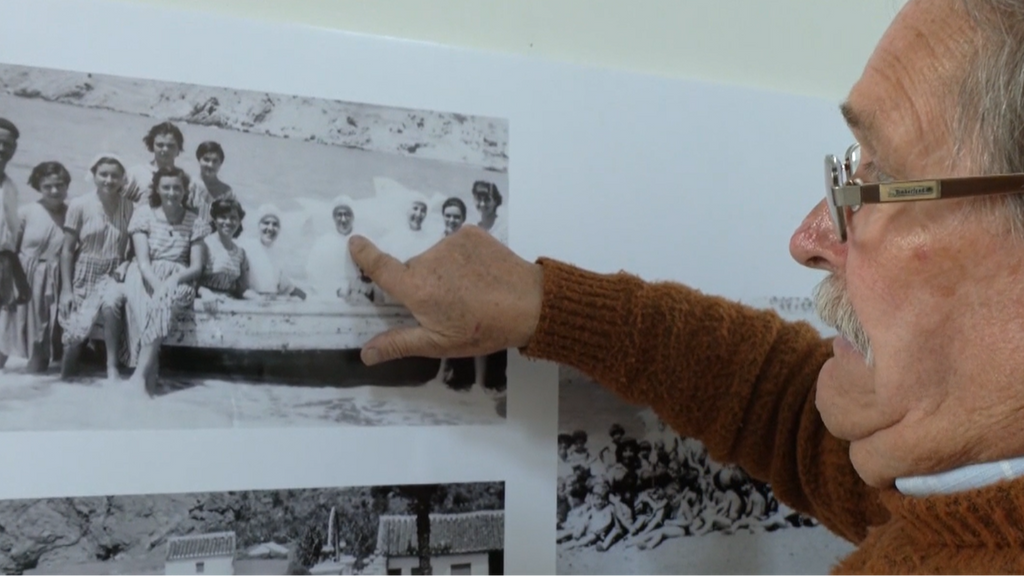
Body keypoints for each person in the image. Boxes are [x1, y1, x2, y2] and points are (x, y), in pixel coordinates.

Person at [346, 0, 1024, 572]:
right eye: (852, 166)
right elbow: (784, 409)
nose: (809, 238)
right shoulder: (965, 474)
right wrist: (545, 305)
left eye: (876, 182)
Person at [104, 166, 206, 396]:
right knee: (148, 303)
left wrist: (173, 281)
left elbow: (196, 267)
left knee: (165, 303)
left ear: (185, 190)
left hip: (180, 276)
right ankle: (150, 372)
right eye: (166, 187)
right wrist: (159, 286)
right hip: (145, 273)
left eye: (177, 188)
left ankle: (139, 376)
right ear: (157, 189)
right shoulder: (144, 215)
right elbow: (143, 262)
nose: (172, 192)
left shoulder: (194, 221)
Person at [59, 154, 135, 381]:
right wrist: (66, 289)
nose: (109, 180)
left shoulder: (130, 207)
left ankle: (112, 367)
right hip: (83, 271)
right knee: (73, 337)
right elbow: (67, 250)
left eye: (115, 175)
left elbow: (133, 248)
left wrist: (126, 264)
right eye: (103, 174)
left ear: (123, 179)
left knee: (112, 305)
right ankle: (65, 382)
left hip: (113, 271)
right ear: (94, 176)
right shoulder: (79, 205)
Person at [0, 161, 70, 372]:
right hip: (24, 280)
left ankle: (35, 388)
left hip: (54, 282)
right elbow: (9, 250)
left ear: (67, 185)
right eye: (47, 186)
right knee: (6, 335)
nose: (54, 191)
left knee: (41, 340)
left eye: (60, 185)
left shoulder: (73, 212)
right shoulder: (26, 212)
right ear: (38, 187)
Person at [0, 118, 30, 309]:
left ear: (14, 150)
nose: (2, 149)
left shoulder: (10, 188)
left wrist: (20, 279)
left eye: (7, 145)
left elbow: (8, 242)